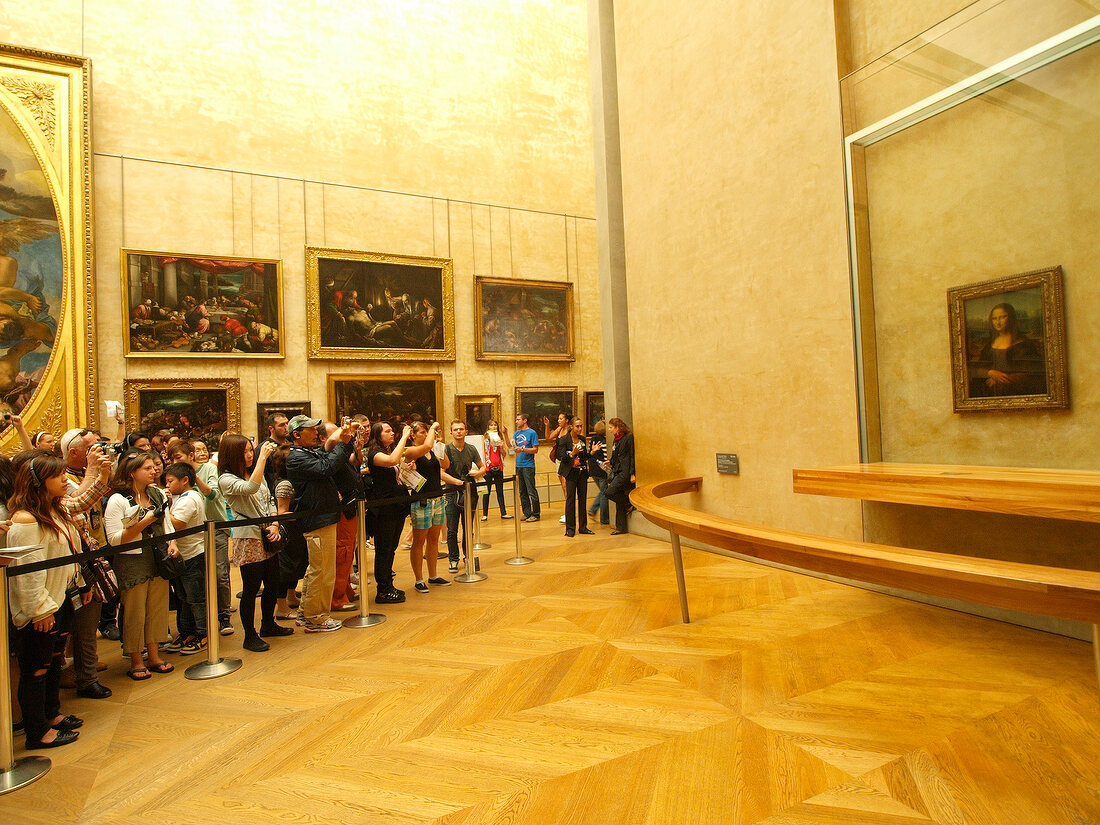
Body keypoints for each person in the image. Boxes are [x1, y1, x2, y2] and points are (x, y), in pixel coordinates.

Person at [6, 454, 107, 749]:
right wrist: (39, 610)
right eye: (58, 476)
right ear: (38, 482)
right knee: (36, 670)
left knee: (52, 664)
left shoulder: (56, 510)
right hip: (40, 608)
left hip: (60, 600)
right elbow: (27, 575)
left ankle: (52, 715)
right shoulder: (26, 520)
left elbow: (69, 556)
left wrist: (81, 583)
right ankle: (37, 732)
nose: (65, 480)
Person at [103, 451, 179, 677]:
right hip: (132, 560)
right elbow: (115, 539)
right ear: (131, 472)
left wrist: (172, 543)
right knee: (135, 611)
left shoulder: (157, 493)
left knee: (157, 607)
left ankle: (154, 655)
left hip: (158, 557)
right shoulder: (118, 500)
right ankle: (136, 658)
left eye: (153, 467)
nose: (154, 471)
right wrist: (145, 521)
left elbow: (167, 524)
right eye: (147, 468)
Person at [218, 435, 292, 650]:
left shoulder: (253, 472)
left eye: (252, 450)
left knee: (272, 582)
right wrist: (262, 459)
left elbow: (269, 498)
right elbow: (250, 488)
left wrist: (275, 525)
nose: (250, 455)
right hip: (247, 536)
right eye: (246, 452)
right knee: (251, 587)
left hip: (267, 532)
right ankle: (249, 635)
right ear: (233, 455)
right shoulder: (226, 478)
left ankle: (268, 624)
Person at [286, 415, 358, 632]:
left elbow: (328, 454)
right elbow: (326, 466)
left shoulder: (306, 453)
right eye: (310, 430)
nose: (316, 432)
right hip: (316, 519)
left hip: (323, 518)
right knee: (322, 571)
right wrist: (344, 443)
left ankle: (307, 612)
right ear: (297, 435)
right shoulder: (296, 458)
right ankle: (315, 617)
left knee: (319, 569)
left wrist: (346, 438)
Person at [57, 428, 115, 698]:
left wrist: (101, 471)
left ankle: (83, 670)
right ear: (73, 452)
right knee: (76, 624)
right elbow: (77, 502)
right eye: (91, 447)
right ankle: (82, 675)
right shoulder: (62, 479)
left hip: (93, 551)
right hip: (74, 562)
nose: (97, 451)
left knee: (86, 622)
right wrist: (94, 472)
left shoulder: (79, 475)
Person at [167, 438, 231, 635]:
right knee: (196, 583)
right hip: (194, 535)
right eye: (172, 459)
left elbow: (212, 495)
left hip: (216, 526)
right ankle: (202, 623)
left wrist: (192, 477)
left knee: (220, 574)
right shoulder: (175, 479)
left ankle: (224, 615)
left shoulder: (208, 469)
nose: (175, 462)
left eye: (178, 458)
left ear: (191, 456)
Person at [405, 421, 463, 593]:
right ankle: (418, 579)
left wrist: (439, 447)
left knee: (433, 539)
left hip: (437, 498)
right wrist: (432, 430)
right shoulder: (411, 451)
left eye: (426, 431)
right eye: (421, 432)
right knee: (419, 541)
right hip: (421, 500)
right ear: (414, 435)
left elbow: (445, 466)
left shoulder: (431, 450)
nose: (425, 435)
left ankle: (433, 575)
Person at [163, 461, 209, 653]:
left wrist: (162, 507)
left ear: (185, 480)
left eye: (170, 481)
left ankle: (203, 634)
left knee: (195, 598)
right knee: (183, 597)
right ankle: (187, 632)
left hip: (193, 555)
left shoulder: (190, 498)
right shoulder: (180, 497)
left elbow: (177, 523)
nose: (167, 486)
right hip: (182, 555)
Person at [364, 420, 411, 603]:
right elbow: (392, 461)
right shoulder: (375, 454)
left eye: (393, 431)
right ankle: (382, 589)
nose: (392, 433)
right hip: (384, 508)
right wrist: (405, 436)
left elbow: (395, 469)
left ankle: (388, 584)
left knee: (391, 548)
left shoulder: (387, 451)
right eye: (388, 431)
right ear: (378, 435)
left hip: (396, 506)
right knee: (383, 549)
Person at [968, 302, 1047, 398]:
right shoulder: (989, 345)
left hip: (1016, 394)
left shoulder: (1025, 344)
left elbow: (1033, 374)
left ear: (1011, 318)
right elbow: (978, 369)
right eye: (994, 318)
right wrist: (991, 373)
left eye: (1002, 317)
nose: (998, 322)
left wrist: (1000, 379)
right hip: (989, 394)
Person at [444, 420, 486, 573]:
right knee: (452, 529)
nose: (459, 432)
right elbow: (441, 472)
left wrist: (478, 472)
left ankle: (468, 556)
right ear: (451, 432)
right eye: (455, 429)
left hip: (469, 491)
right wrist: (456, 481)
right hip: (451, 492)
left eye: (461, 429)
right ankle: (453, 559)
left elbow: (483, 467)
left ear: (466, 432)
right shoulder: (446, 449)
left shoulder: (471, 449)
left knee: (468, 527)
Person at [557, 417, 593, 537]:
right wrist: (572, 454)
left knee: (582, 499)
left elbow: (584, 457)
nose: (580, 428)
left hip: (582, 472)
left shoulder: (582, 439)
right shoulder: (564, 440)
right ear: (571, 426)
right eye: (577, 426)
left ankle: (583, 527)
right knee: (570, 500)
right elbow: (560, 456)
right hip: (570, 473)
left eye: (581, 426)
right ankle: (570, 529)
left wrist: (592, 453)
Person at [604, 417, 636, 535]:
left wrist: (633, 473)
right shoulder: (615, 440)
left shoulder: (628, 437)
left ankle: (629, 502)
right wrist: (609, 462)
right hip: (617, 470)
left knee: (609, 492)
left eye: (611, 427)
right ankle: (621, 527)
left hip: (625, 472)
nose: (609, 429)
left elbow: (632, 456)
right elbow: (615, 456)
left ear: (617, 427)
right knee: (618, 497)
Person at [481, 419, 512, 521]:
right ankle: (485, 514)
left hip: (499, 467)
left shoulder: (499, 438)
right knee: (487, 492)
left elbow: (504, 454)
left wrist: (502, 447)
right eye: (491, 425)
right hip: (488, 468)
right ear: (488, 427)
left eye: (495, 425)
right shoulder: (485, 438)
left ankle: (503, 512)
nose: (493, 427)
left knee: (500, 491)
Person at [511, 412, 540, 522]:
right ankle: (527, 513)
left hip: (528, 466)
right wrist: (505, 434)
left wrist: (522, 449)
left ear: (525, 420)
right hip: (518, 465)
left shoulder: (532, 433)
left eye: (518, 419)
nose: (516, 421)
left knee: (531, 490)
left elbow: (535, 450)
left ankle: (536, 514)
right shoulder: (516, 434)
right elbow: (511, 446)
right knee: (522, 491)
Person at [544, 411, 571, 524]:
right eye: (558, 418)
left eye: (561, 418)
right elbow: (548, 438)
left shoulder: (570, 430)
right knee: (563, 487)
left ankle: (569, 513)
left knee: (566, 487)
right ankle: (568, 512)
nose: (559, 420)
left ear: (567, 420)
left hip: (567, 461)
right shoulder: (559, 429)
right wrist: (547, 426)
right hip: (559, 460)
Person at [587, 420, 610, 526]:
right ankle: (604, 518)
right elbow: (605, 456)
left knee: (602, 491)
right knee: (605, 493)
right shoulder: (604, 441)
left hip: (592, 469)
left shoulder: (592, 439)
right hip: (601, 470)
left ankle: (593, 509)